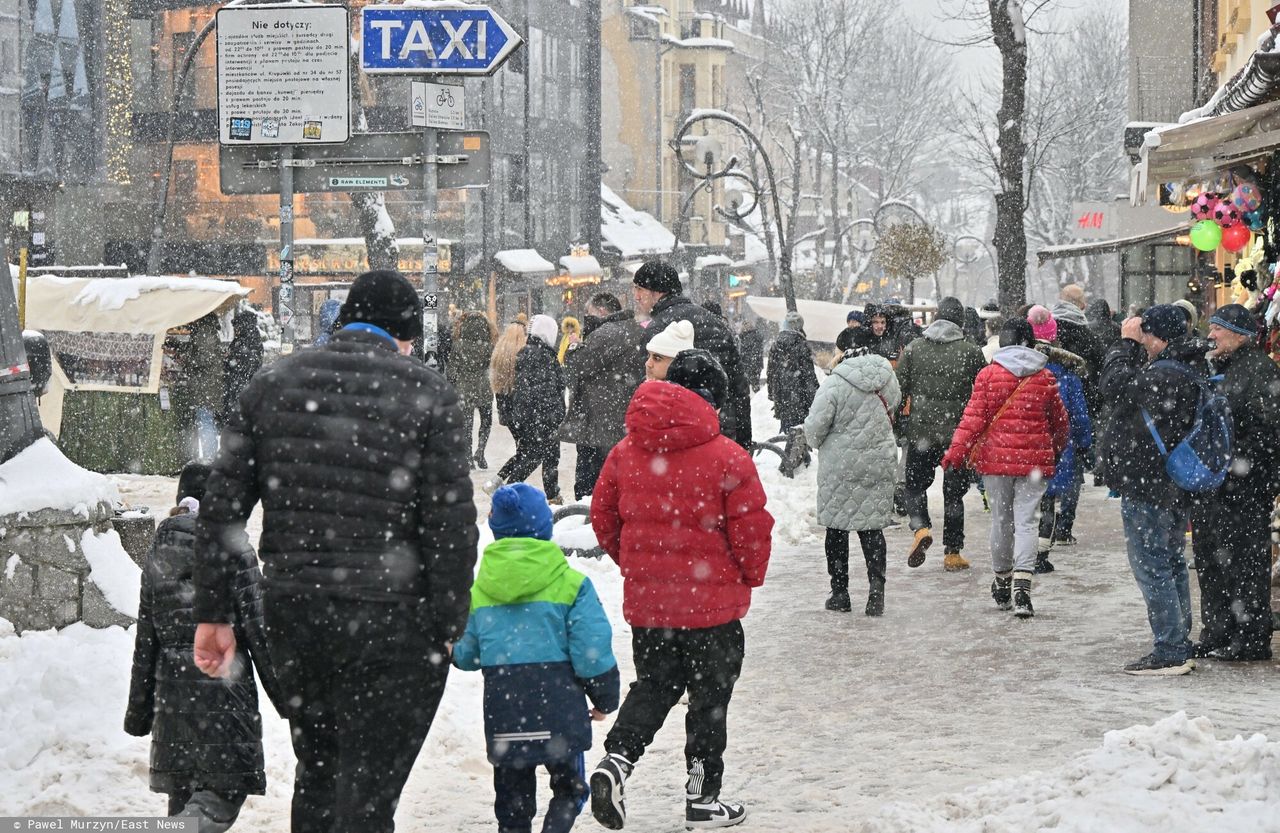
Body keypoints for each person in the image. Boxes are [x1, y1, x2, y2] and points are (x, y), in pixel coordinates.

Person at [193, 269, 478, 832]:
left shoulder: (271, 384)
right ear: (403, 334)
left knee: (319, 770)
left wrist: (214, 613)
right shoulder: (431, 395)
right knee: (370, 790)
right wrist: (448, 621)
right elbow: (450, 524)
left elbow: (220, 511)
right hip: (397, 619)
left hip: (298, 612)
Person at [588, 349, 773, 831]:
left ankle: (616, 763)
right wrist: (748, 575)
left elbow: (603, 517)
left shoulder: (625, 452)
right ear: (710, 397)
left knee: (654, 686)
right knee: (710, 699)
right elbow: (751, 531)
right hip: (712, 609)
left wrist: (635, 564)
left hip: (651, 610)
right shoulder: (728, 457)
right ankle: (703, 797)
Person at [453, 483, 620, 833]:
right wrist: (604, 697)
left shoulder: (480, 592)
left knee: (512, 807)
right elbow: (592, 648)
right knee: (571, 790)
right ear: (545, 527)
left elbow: (466, 655)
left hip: (505, 713)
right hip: (560, 708)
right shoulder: (571, 585)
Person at [126, 463, 282, 832]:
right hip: (224, 701)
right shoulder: (234, 549)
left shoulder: (158, 553)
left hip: (172, 708)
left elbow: (145, 642)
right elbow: (261, 631)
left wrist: (139, 713)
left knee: (183, 802)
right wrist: (290, 698)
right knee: (222, 796)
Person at [1098, 304, 1206, 676]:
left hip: (1151, 485)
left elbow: (1112, 387)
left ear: (1157, 337)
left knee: (1152, 564)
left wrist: (1122, 346)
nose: (1140, 341)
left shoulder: (1165, 373)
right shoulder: (1187, 367)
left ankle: (1171, 647)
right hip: (1172, 483)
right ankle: (1178, 637)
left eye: (1144, 335)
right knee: (1171, 560)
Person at [943, 319, 1069, 619]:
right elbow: (1060, 424)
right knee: (1027, 522)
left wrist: (956, 453)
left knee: (1002, 521)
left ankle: (1002, 581)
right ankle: (1023, 589)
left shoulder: (988, 375)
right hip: (1034, 464)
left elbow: (972, 419)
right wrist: (1055, 449)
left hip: (995, 462)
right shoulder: (1045, 377)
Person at [1190, 304, 1280, 661]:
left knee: (1244, 563)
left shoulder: (1259, 371)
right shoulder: (1222, 367)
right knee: (1213, 560)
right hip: (1219, 485)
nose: (1210, 335)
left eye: (1218, 329)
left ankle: (1251, 637)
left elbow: (1268, 432)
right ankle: (1218, 631)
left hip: (1245, 487)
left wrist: (1236, 460)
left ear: (1240, 336)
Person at [803, 327, 901, 615]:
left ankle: (840, 593)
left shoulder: (834, 383)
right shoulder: (887, 375)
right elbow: (893, 404)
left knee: (837, 529)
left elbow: (814, 429)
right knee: (872, 528)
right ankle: (876, 592)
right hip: (879, 460)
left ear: (842, 350)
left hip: (841, 467)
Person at [895, 297, 986, 572]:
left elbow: (900, 390)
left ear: (936, 318)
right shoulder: (970, 351)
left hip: (921, 433)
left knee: (914, 486)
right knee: (954, 495)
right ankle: (953, 553)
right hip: (956, 436)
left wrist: (902, 426)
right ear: (959, 321)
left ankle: (921, 527)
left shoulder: (914, 349)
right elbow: (982, 391)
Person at [632, 260, 753, 448]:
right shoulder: (715, 322)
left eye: (640, 289)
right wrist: (744, 439)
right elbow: (739, 386)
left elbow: (648, 391)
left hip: (679, 436)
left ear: (657, 292)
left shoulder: (658, 330)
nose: (636, 296)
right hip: (723, 430)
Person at [560, 292, 648, 500]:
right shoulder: (633, 329)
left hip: (599, 419)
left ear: (601, 311)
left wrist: (574, 346)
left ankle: (588, 522)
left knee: (590, 483)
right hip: (622, 416)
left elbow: (576, 367)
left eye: (589, 313)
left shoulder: (606, 333)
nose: (587, 319)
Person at [1026, 306, 1092, 574]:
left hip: (1025, 445)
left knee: (1028, 502)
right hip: (1056, 447)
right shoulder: (1067, 372)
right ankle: (1041, 553)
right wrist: (1084, 441)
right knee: (1048, 500)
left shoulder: (1021, 368)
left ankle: (1023, 554)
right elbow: (1078, 414)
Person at [491, 314, 566, 502]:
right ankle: (508, 494)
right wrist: (550, 416)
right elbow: (542, 391)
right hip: (542, 419)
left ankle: (551, 494)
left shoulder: (533, 353)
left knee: (538, 456)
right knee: (534, 457)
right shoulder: (540, 355)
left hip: (537, 417)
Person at [448, 311, 496, 470]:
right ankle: (480, 452)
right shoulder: (488, 345)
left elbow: (452, 370)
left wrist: (452, 385)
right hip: (483, 386)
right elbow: (491, 366)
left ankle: (468, 456)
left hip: (464, 387)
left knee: (467, 424)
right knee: (486, 421)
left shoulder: (458, 344)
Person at [766, 311, 819, 434]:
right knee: (799, 433)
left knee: (786, 428)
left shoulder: (776, 345)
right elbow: (809, 375)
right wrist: (814, 396)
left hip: (781, 396)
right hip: (800, 397)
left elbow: (771, 372)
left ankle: (786, 448)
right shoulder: (802, 345)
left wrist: (772, 394)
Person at [223, 305, 264, 425]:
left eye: (236, 327)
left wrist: (230, 360)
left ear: (242, 326)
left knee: (239, 417)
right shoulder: (248, 338)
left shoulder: (247, 339)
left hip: (241, 384)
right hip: (242, 383)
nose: (235, 330)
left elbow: (246, 363)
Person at [492, 320, 529, 434]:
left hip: (504, 397)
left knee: (515, 433)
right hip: (519, 400)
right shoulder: (525, 350)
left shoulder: (499, 350)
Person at [738, 319, 766, 392]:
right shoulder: (741, 337)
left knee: (753, 384)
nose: (746, 327)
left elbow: (756, 351)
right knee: (752, 384)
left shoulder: (753, 336)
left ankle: (756, 398)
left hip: (752, 364)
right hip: (749, 364)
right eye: (745, 325)